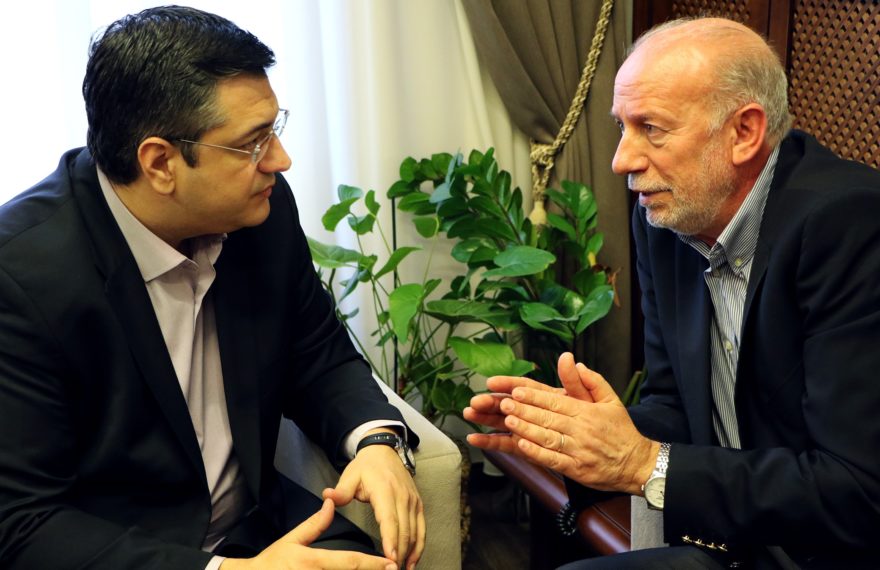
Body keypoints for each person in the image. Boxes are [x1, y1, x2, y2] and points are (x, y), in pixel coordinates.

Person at [0, 6, 424, 570]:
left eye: (275, 129)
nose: (280, 161)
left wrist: (377, 443)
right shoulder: (20, 276)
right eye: (253, 143)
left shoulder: (259, 213)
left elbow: (318, 355)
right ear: (160, 163)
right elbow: (23, 522)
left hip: (259, 529)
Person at [466, 16, 880, 569]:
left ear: (744, 132)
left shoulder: (849, 226)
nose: (622, 160)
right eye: (621, 126)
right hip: (733, 539)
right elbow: (676, 405)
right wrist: (573, 434)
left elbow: (857, 492)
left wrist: (643, 464)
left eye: (652, 129)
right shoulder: (668, 215)